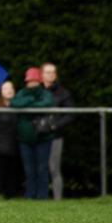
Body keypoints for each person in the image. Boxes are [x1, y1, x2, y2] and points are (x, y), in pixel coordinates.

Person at [11, 67, 54, 200]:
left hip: (43, 138)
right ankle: (30, 195)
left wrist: (27, 105)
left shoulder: (45, 93)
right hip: (24, 138)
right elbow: (14, 103)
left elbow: (46, 104)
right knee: (29, 170)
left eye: (35, 80)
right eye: (30, 81)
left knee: (42, 169)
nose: (32, 83)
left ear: (39, 81)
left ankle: (42, 196)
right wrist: (31, 100)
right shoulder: (22, 93)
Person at [41, 62, 74, 200]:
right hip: (38, 136)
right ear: (42, 74)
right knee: (39, 168)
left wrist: (56, 126)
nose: (51, 75)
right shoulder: (36, 91)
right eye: (48, 72)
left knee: (54, 168)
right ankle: (38, 198)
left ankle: (57, 199)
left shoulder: (63, 93)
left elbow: (70, 114)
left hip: (55, 135)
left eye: (53, 72)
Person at [0, 80, 23, 199]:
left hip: (16, 143)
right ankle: (0, 194)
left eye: (11, 88)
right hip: (1, 145)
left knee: (14, 171)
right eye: (5, 88)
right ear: (1, 91)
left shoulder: (19, 106)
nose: (9, 91)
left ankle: (12, 194)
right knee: (1, 170)